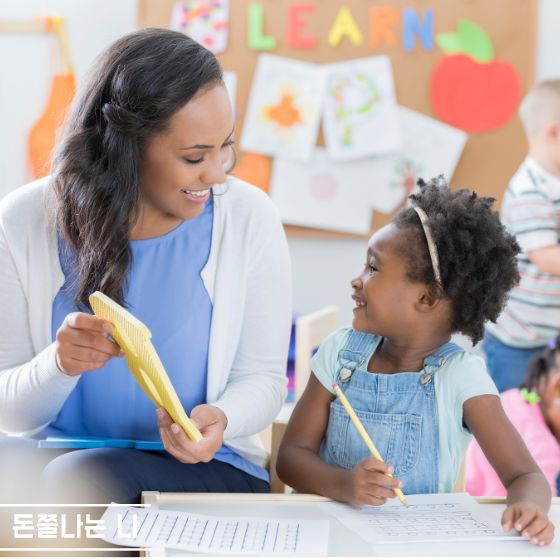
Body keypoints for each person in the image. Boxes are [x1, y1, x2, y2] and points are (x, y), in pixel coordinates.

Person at [0, 28, 292, 505]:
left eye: (224, 146)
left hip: (205, 467)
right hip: (55, 455)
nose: (218, 173)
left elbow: (263, 380)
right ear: (126, 148)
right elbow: (10, 415)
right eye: (194, 157)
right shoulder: (24, 218)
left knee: (78, 480)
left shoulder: (248, 217)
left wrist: (222, 418)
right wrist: (58, 365)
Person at [277, 177, 555, 546]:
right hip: (323, 538)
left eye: (373, 268)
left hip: (414, 545)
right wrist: (342, 484)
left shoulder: (460, 377)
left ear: (427, 298)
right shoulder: (339, 353)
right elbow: (290, 459)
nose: (356, 280)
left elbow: (525, 476)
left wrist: (529, 507)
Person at [484, 79, 560, 392]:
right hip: (520, 340)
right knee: (516, 413)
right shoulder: (530, 189)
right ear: (554, 133)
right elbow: (546, 257)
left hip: (549, 333)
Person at [466, 337, 560, 497]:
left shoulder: (512, 398)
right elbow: (545, 502)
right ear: (557, 387)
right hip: (494, 508)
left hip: (462, 493)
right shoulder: (543, 444)